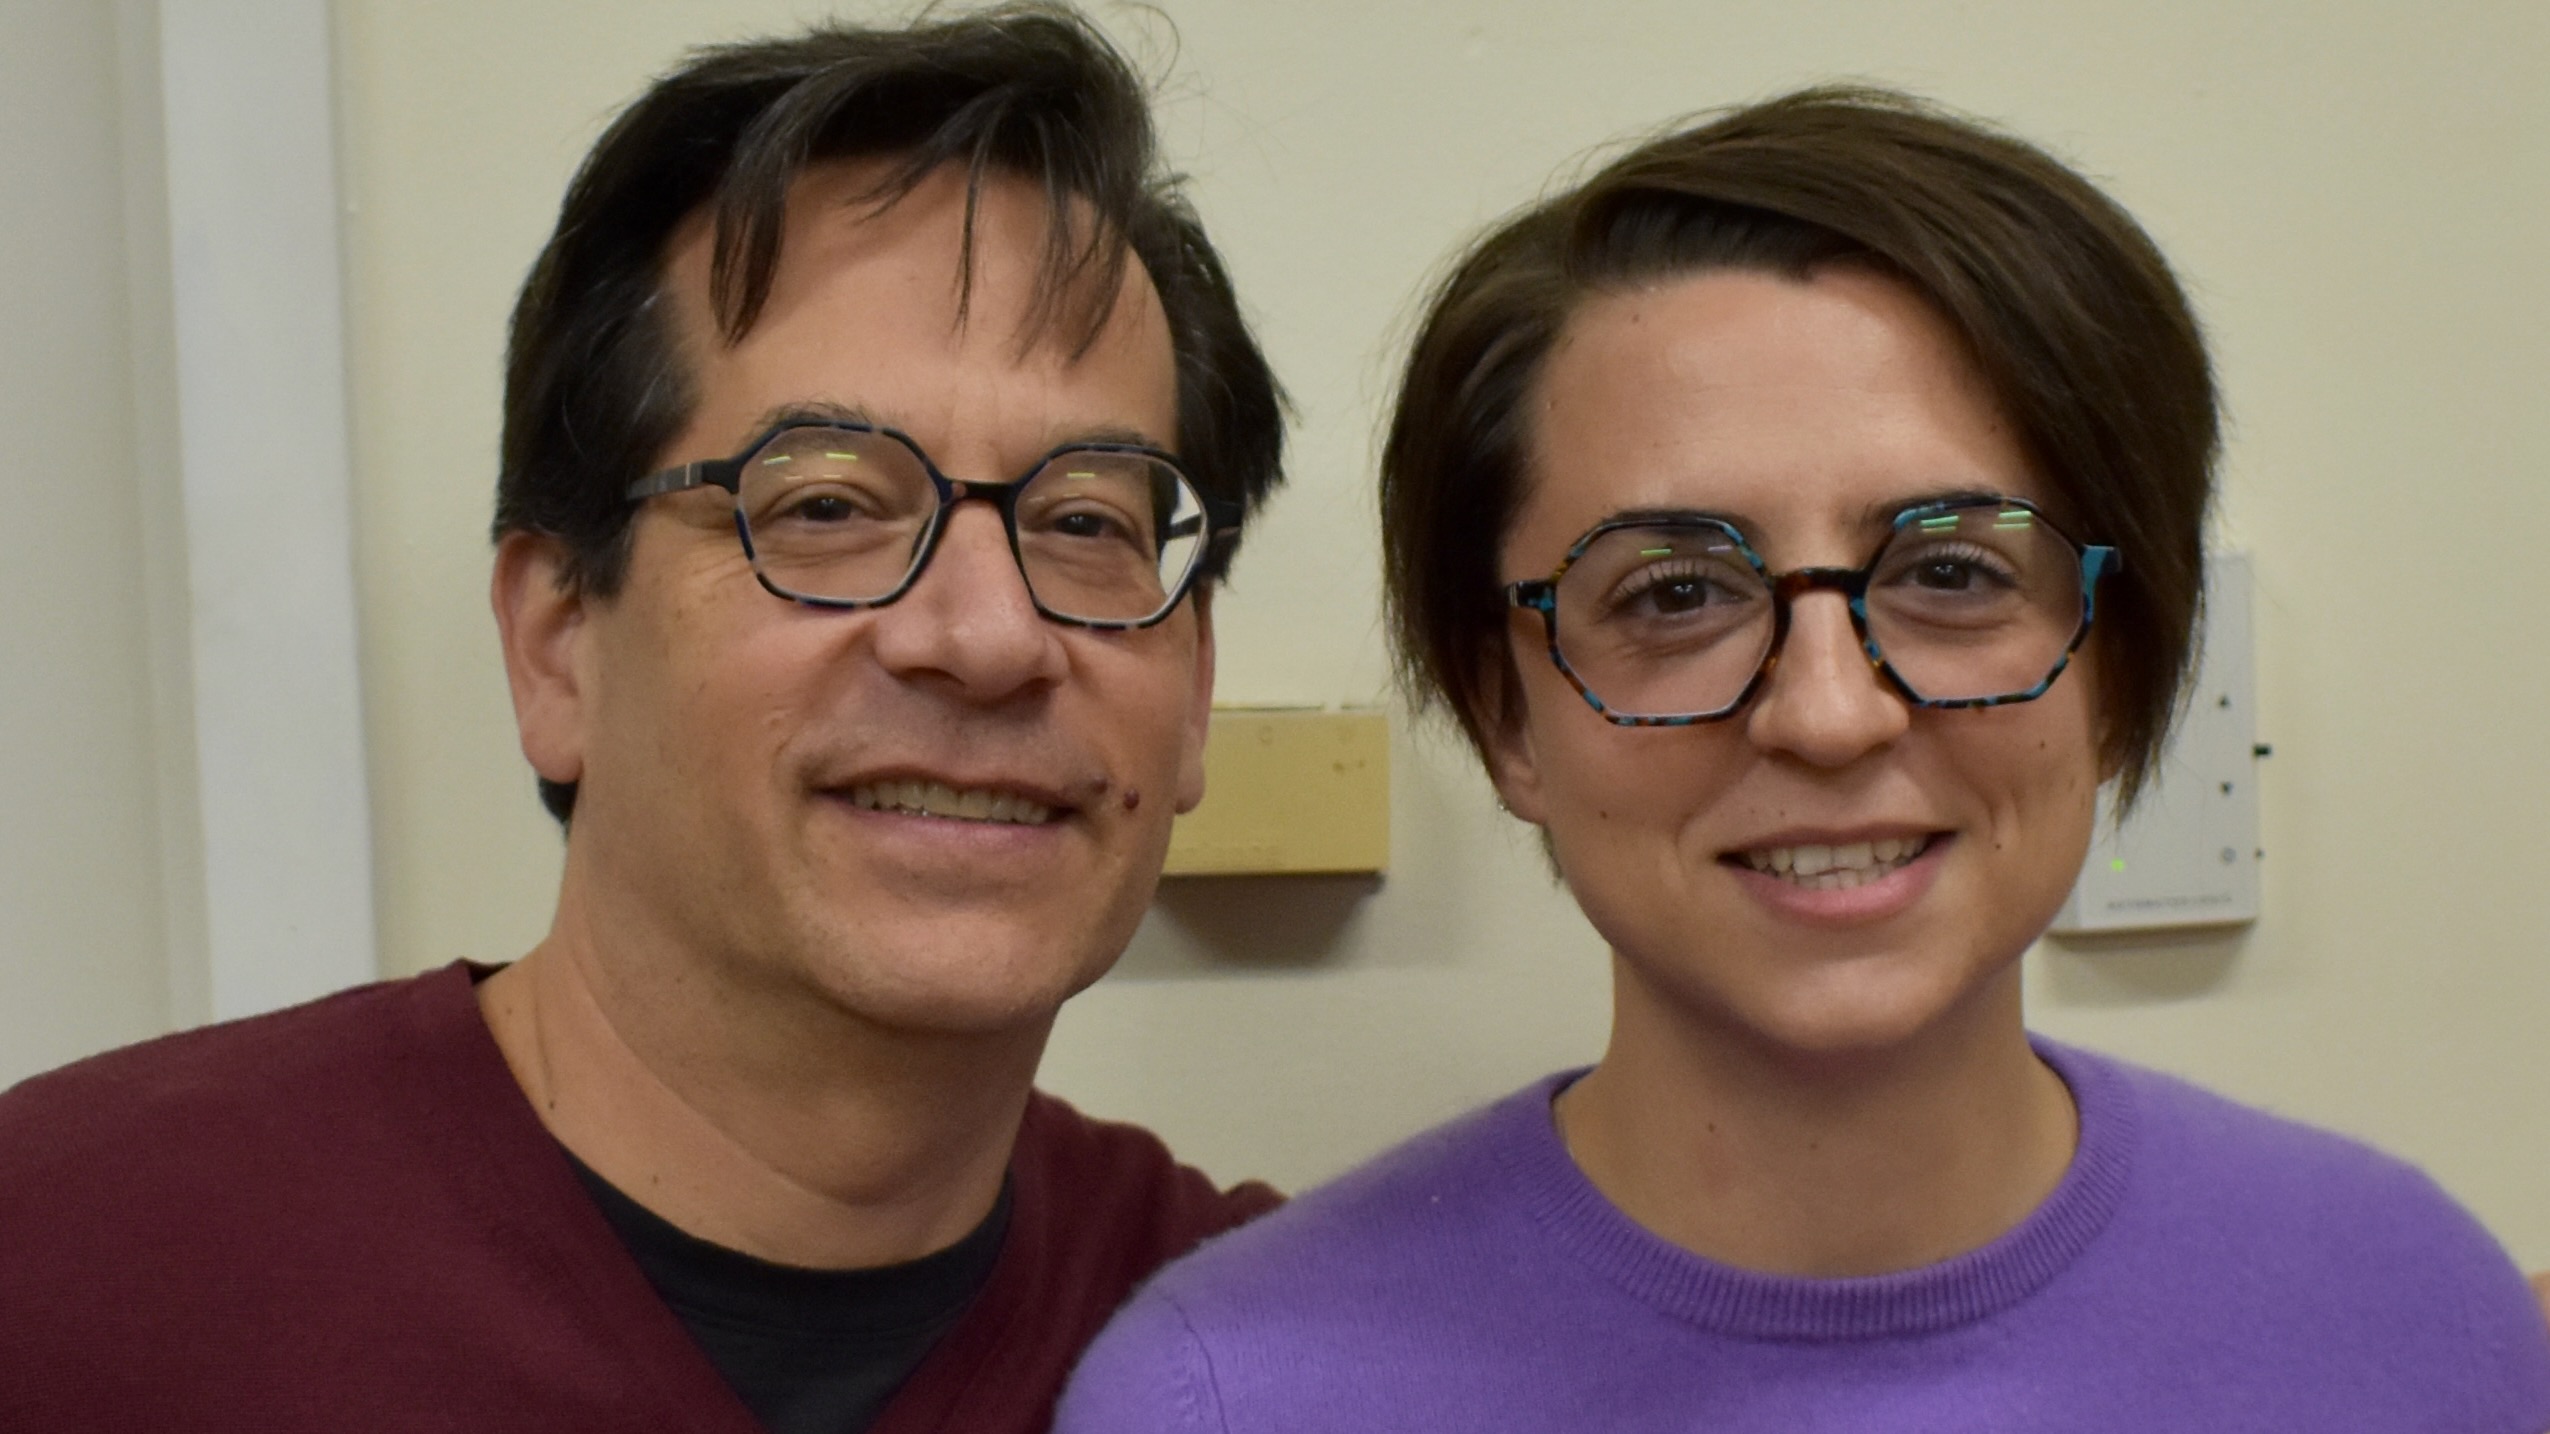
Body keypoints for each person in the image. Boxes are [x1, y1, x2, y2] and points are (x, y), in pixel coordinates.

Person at [1057, 87, 2550, 1431]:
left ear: (2120, 654)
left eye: (1954, 571)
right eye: (1673, 593)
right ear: (1505, 709)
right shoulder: (1232, 1395)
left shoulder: (2418, 1315)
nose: (1828, 714)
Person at [0, 7, 1284, 1432]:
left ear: (1192, 693)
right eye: (827, 507)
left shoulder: (1283, 1347)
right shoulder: (66, 1272)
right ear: (557, 644)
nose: (989, 636)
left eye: (1087, 519)